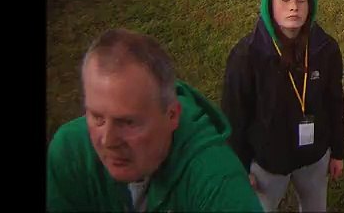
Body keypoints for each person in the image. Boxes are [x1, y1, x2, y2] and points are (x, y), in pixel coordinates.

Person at [46, 29, 262, 212]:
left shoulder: (217, 179)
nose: (108, 141)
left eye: (127, 122)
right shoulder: (69, 153)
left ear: (172, 115)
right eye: (97, 117)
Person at [223, 0, 344, 213]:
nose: (294, 7)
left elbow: (335, 102)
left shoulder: (325, 49)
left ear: (310, 6)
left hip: (314, 157)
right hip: (268, 164)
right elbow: (234, 116)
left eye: (301, 0)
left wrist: (338, 152)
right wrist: (238, 169)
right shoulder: (246, 56)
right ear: (269, 4)